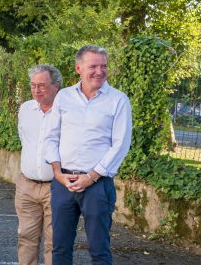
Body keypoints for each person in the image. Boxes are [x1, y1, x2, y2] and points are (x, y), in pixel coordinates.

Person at [44, 45, 132, 265]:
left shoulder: (118, 100)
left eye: (103, 66)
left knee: (99, 250)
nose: (99, 72)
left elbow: (120, 145)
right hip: (63, 183)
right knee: (60, 249)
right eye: (93, 66)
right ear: (78, 68)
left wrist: (91, 177)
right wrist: (57, 173)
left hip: (98, 186)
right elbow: (51, 137)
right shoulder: (63, 97)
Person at [16, 65, 63, 265]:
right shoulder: (25, 109)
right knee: (26, 238)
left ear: (56, 86)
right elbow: (25, 140)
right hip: (26, 185)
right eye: (33, 85)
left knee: (55, 241)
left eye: (42, 85)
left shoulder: (66, 110)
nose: (36, 90)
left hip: (56, 186)